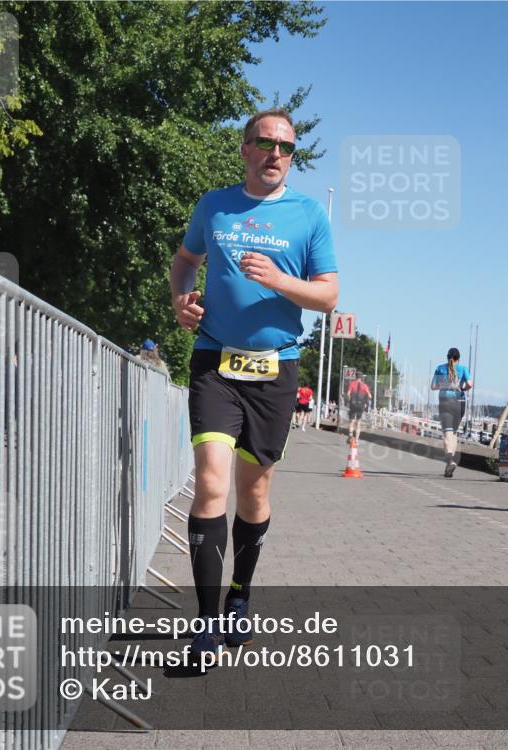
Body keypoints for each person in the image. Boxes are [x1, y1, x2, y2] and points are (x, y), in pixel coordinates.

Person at [169, 108, 338, 665]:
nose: (275, 153)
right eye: (265, 143)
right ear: (245, 148)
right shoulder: (214, 205)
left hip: (275, 369)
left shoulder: (309, 214)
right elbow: (186, 260)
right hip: (214, 360)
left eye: (286, 147)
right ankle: (206, 623)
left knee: (255, 493)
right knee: (210, 482)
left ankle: (240, 594)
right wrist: (181, 300)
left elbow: (328, 295)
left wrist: (281, 280)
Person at [430, 348, 472, 477]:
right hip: (460, 402)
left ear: (447, 357)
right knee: (453, 433)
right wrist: (462, 389)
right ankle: (448, 467)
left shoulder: (440, 368)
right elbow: (470, 384)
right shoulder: (463, 369)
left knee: (447, 433)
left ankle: (450, 461)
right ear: (458, 358)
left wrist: (446, 385)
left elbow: (433, 386)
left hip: (446, 402)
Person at [346, 373, 372, 443]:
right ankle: (356, 440)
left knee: (351, 421)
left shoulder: (351, 384)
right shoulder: (365, 385)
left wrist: (349, 400)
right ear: (361, 378)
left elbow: (348, 394)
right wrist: (366, 401)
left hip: (353, 404)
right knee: (358, 422)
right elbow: (370, 396)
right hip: (361, 405)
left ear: (355, 377)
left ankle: (350, 435)